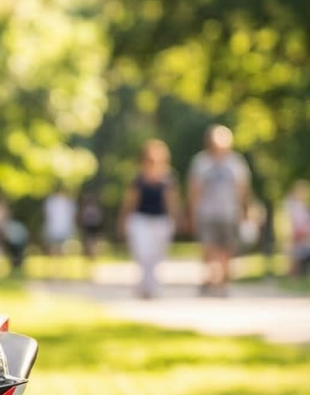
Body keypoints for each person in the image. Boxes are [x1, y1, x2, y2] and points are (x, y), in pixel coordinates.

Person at [187, 124, 251, 296]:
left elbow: (243, 189)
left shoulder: (236, 163)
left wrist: (245, 211)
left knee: (227, 248)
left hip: (230, 213)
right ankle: (212, 278)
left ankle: (222, 281)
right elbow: (194, 190)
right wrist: (192, 213)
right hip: (207, 213)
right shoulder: (201, 162)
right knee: (209, 247)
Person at [118, 139, 183, 298]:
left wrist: (178, 218)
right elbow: (130, 201)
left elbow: (172, 202)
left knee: (157, 255)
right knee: (143, 254)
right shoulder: (138, 179)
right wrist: (123, 220)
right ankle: (144, 286)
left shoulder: (168, 178)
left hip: (161, 221)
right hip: (141, 220)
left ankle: (152, 286)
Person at [284, 180, 310, 276]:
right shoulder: (291, 204)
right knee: (294, 256)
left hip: (304, 233)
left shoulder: (304, 205)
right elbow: (290, 219)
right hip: (295, 232)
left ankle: (303, 275)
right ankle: (293, 276)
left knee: (302, 255)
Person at [41, 185, 76, 257]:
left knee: (61, 245)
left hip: (63, 227)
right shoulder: (51, 201)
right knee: (53, 245)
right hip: (54, 227)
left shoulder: (68, 202)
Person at [78, 189, 104, 263]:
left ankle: (92, 255)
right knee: (90, 242)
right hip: (90, 227)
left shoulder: (92, 209)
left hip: (93, 227)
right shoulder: (89, 209)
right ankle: (90, 255)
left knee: (92, 242)